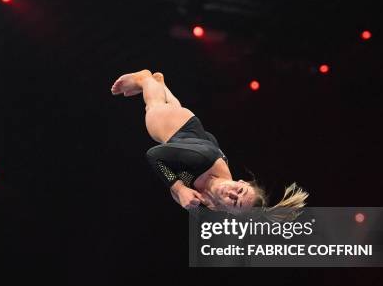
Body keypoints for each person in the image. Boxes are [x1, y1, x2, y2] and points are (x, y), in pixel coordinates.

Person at [111, 69, 308, 222]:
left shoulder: (212, 205)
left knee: (171, 113)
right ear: (241, 182)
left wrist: (181, 194)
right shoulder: (203, 160)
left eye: (235, 202)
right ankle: (145, 79)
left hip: (194, 139)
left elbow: (179, 187)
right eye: (239, 191)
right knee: (153, 109)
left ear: (229, 211)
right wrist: (180, 189)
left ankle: (161, 84)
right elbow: (154, 156)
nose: (231, 194)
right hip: (177, 129)